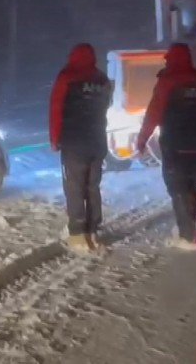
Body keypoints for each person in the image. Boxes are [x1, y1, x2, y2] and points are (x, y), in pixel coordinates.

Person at [135, 43, 196, 251]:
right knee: (192, 186)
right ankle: (189, 227)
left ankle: (188, 235)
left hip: (175, 145)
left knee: (177, 187)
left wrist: (142, 139)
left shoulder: (167, 82)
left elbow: (154, 113)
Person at [49, 43, 111, 252]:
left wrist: (55, 138)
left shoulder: (67, 76)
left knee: (74, 186)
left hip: (74, 142)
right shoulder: (102, 79)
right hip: (97, 141)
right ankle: (93, 230)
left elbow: (56, 108)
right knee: (92, 187)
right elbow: (104, 106)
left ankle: (77, 234)